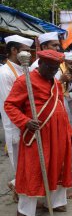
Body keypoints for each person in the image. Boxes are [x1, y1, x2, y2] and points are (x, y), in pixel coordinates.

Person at [4, 50, 72, 216]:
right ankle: (24, 211)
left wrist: (69, 130)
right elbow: (10, 105)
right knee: (32, 169)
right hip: (37, 133)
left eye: (56, 68)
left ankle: (55, 202)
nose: (53, 71)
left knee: (58, 166)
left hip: (59, 132)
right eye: (50, 67)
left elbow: (61, 107)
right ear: (40, 63)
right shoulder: (24, 81)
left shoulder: (56, 83)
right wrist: (25, 121)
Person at [0, 35, 33, 202]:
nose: (29, 55)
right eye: (25, 51)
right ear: (14, 51)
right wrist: (24, 122)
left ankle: (17, 189)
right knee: (21, 165)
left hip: (29, 124)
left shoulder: (25, 69)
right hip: (16, 125)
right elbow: (9, 105)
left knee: (27, 164)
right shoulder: (4, 73)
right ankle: (20, 191)